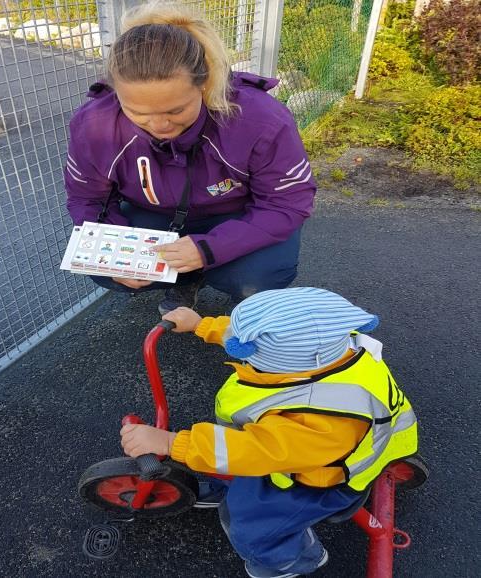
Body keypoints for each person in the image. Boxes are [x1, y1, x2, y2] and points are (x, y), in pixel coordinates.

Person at [120, 287, 419, 577]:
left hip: (317, 482)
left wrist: (172, 442)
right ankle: (230, 485)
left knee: (252, 528)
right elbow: (253, 337)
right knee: (232, 464)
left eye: (250, 357)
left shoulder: (324, 419)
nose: (241, 354)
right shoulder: (332, 345)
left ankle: (294, 560)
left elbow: (259, 451)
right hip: (300, 450)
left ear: (288, 368)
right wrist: (202, 324)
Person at [64, 1, 316, 315]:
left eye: (176, 110)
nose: (159, 126)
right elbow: (88, 198)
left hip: (237, 214)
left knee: (258, 276)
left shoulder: (261, 120)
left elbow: (287, 203)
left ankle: (231, 291)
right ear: (117, 94)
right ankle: (184, 279)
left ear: (205, 84)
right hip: (157, 216)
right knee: (103, 268)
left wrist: (210, 249)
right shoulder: (94, 126)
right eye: (138, 113)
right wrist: (115, 256)